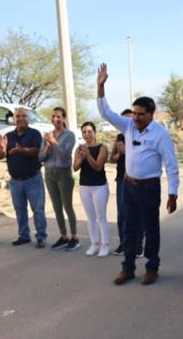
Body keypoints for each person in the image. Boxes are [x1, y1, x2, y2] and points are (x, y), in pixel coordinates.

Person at [96, 64, 180, 285]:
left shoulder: (161, 135)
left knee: (150, 228)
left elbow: (171, 166)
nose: (136, 117)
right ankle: (128, 268)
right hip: (129, 186)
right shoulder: (128, 126)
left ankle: (152, 267)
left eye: (141, 114)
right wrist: (100, 87)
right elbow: (106, 112)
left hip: (149, 188)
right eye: (134, 113)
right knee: (129, 228)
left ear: (151, 114)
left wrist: (173, 194)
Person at [0, 108, 47, 248]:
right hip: (15, 181)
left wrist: (22, 150)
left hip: (33, 179)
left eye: (24, 116)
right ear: (14, 119)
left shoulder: (35, 134)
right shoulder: (8, 136)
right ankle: (24, 235)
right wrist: (1, 147)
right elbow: (0, 155)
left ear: (28, 118)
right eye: (18, 116)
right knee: (20, 210)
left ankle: (41, 236)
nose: (21, 118)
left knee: (38, 209)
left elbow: (37, 151)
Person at [40, 107, 79, 251]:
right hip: (49, 173)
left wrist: (54, 142)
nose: (55, 119)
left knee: (67, 206)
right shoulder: (47, 136)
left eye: (58, 116)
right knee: (56, 208)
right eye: (53, 116)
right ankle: (63, 236)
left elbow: (65, 154)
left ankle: (74, 237)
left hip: (63, 173)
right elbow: (40, 158)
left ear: (63, 119)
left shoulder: (69, 135)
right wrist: (47, 147)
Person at [73, 121, 111, 257]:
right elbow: (75, 167)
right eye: (84, 132)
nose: (87, 134)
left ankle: (105, 245)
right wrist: (81, 157)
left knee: (101, 217)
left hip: (99, 186)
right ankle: (94, 244)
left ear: (95, 132)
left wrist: (88, 155)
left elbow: (98, 167)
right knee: (90, 217)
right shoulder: (79, 149)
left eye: (89, 131)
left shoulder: (102, 148)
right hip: (84, 186)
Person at [109, 110, 144, 256]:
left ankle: (138, 245)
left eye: (130, 119)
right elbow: (112, 158)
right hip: (121, 179)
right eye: (124, 120)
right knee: (122, 213)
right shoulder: (119, 137)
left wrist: (126, 151)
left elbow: (143, 155)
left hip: (137, 179)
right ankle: (123, 243)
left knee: (137, 213)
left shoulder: (141, 135)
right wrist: (118, 154)